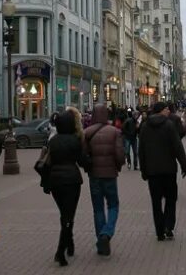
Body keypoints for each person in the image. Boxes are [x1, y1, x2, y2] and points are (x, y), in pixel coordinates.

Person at [138, 102, 186, 241]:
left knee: (156, 202)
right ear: (160, 111)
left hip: (152, 172)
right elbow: (177, 146)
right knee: (171, 199)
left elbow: (141, 150)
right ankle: (168, 226)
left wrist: (143, 169)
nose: (168, 111)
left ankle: (159, 231)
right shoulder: (169, 125)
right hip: (169, 170)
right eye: (166, 109)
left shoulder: (145, 126)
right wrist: (184, 165)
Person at [47, 108, 90, 266]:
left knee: (64, 214)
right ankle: (60, 252)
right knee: (68, 216)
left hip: (55, 181)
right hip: (71, 180)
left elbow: (48, 161)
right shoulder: (75, 140)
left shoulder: (53, 141)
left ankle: (69, 243)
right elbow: (82, 161)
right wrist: (91, 164)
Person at [83, 104, 125, 256]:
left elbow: (83, 155)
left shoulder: (86, 133)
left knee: (98, 208)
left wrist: (88, 168)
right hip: (110, 175)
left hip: (94, 176)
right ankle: (106, 233)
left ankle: (101, 240)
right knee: (113, 205)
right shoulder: (115, 132)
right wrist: (118, 166)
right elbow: (120, 154)